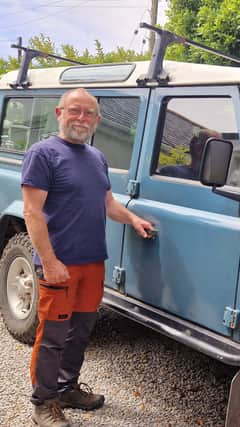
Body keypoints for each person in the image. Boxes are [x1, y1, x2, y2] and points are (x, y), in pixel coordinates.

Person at [21, 88, 154, 427]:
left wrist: (134, 219)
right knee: (52, 336)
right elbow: (32, 213)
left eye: (89, 114)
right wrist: (49, 262)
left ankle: (66, 389)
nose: (82, 119)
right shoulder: (43, 153)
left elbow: (108, 203)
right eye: (75, 111)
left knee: (80, 332)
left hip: (92, 263)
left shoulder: (96, 157)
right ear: (59, 113)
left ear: (97, 119)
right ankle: (43, 403)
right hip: (59, 263)